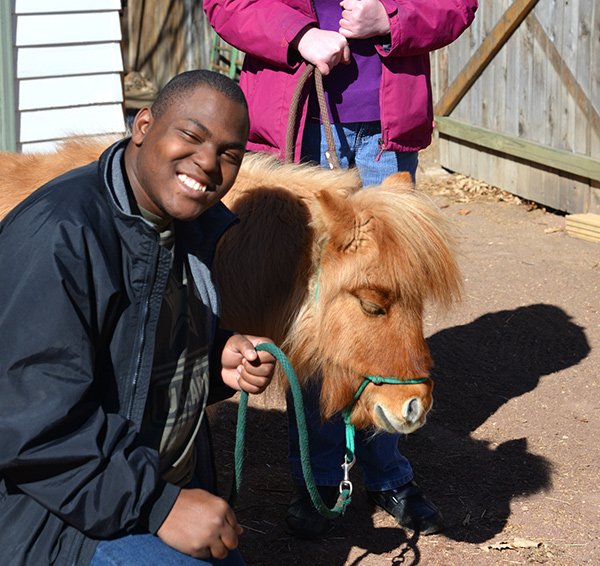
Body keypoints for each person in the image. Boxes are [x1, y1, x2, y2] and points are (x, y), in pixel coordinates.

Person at [204, 0, 478, 539]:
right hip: (295, 123)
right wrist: (297, 35)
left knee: (387, 297)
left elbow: (457, 4)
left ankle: (386, 472)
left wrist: (392, 20)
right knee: (311, 307)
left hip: (385, 132)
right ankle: (321, 475)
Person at [0, 70, 277, 565]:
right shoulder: (60, 235)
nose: (208, 163)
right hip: (51, 514)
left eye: (229, 154)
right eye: (191, 135)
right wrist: (158, 505)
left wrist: (213, 359)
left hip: (132, 481)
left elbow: (128, 348)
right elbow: (29, 423)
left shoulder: (179, 223)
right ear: (144, 125)